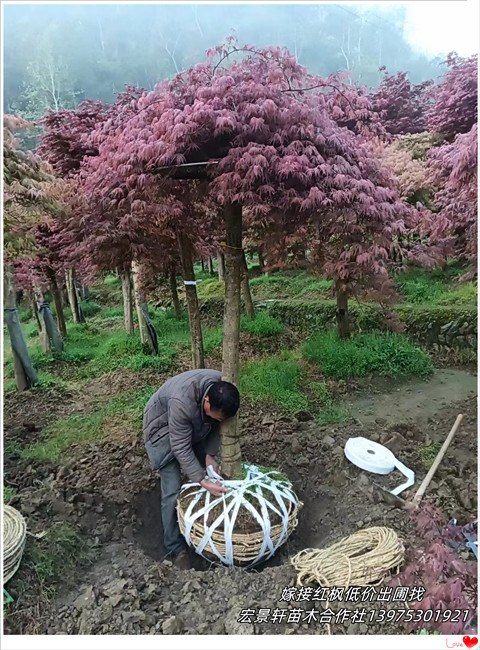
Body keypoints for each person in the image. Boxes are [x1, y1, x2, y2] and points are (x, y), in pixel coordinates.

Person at [143, 368, 240, 569]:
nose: (219, 421)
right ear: (206, 402)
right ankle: (174, 547)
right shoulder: (182, 402)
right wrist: (202, 480)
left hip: (193, 425)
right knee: (172, 489)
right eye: (217, 416)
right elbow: (179, 446)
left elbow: (217, 423)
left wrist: (210, 455)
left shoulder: (222, 387)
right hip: (162, 432)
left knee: (203, 471)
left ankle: (201, 527)